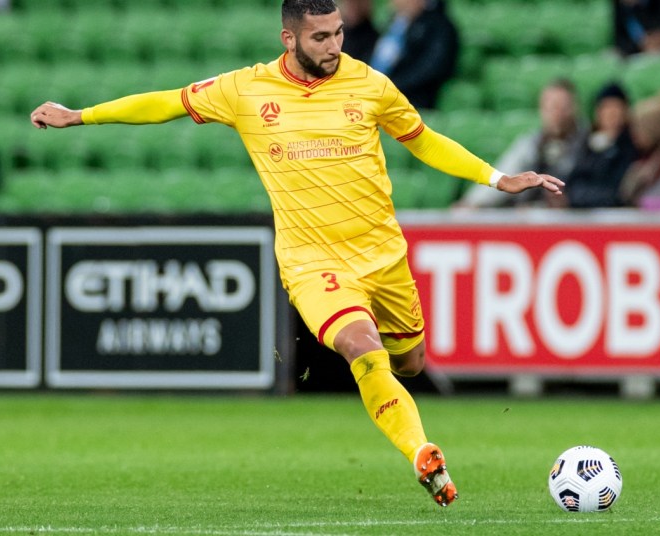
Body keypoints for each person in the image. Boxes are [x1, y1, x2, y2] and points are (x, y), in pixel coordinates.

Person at [30, 0, 563, 508]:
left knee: (410, 362)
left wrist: (497, 178)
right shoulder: (244, 90)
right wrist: (81, 116)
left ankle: (406, 411)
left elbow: (422, 139)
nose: (334, 46)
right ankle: (424, 454)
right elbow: (167, 101)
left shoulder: (370, 83)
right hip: (313, 263)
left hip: (383, 256)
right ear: (289, 39)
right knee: (362, 348)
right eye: (321, 37)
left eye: (338, 33)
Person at [456, 78, 586, 209]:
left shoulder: (588, 143)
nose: (555, 113)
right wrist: (472, 203)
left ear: (574, 107)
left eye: (561, 106)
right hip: (529, 215)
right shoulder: (531, 143)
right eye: (549, 106)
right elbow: (505, 174)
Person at [368, 0, 459, 109]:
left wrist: (392, 86)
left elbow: (430, 69)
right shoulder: (395, 25)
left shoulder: (439, 27)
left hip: (414, 99)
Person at [566, 83, 639, 209]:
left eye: (616, 107)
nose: (611, 113)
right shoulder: (584, 145)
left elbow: (620, 191)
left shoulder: (633, 146)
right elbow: (572, 183)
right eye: (605, 108)